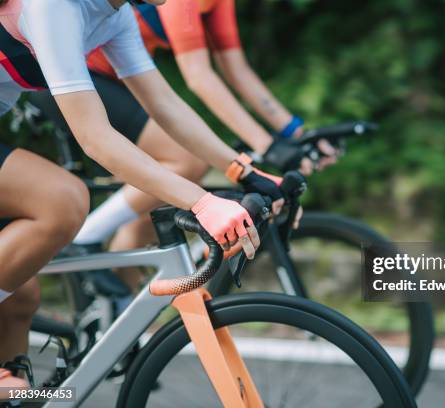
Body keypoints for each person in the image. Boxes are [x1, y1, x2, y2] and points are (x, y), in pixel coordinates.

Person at [0, 0, 285, 394]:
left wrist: (247, 173)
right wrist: (202, 202)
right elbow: (95, 137)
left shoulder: (116, 16)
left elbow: (165, 106)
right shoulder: (53, 6)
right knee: (60, 200)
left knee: (17, 297)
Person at [28, 0, 334, 297]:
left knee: (148, 216)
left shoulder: (202, 5)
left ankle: (114, 322)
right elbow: (199, 76)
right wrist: (263, 148)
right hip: (77, 76)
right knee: (185, 161)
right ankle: (87, 235)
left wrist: (274, 150)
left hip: (116, 77)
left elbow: (231, 71)